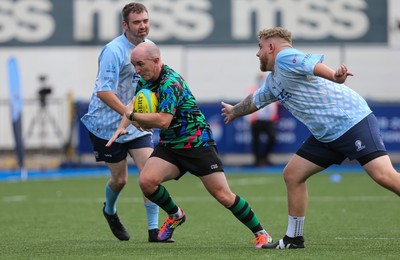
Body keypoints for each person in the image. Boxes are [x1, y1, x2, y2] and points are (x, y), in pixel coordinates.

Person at [221, 27, 400, 249]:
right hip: (326, 135)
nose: (257, 54)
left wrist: (334, 76)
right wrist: (235, 111)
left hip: (352, 121)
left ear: (271, 47)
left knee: (383, 175)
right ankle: (293, 239)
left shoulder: (285, 56)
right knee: (293, 174)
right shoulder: (274, 81)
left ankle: (293, 239)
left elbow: (310, 64)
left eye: (259, 48)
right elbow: (255, 100)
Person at [106, 42, 274, 248]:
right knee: (147, 181)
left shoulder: (170, 82)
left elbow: (163, 120)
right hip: (171, 144)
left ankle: (262, 233)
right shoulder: (145, 80)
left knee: (223, 196)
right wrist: (124, 125)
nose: (137, 70)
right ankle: (176, 215)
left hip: (197, 143)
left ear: (157, 60)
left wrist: (133, 117)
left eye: (140, 64)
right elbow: (134, 103)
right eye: (134, 65)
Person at [80, 2, 170, 243]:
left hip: (136, 123)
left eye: (145, 21)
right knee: (120, 180)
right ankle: (109, 211)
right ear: (125, 25)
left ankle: (154, 231)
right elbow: (104, 92)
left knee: (149, 174)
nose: (143, 26)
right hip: (106, 124)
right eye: (137, 22)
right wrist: (130, 116)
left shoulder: (149, 48)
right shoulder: (113, 51)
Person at [247, 73, 279, 166]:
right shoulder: (252, 89)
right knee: (255, 140)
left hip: (268, 120)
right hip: (256, 119)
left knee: (272, 138)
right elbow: (247, 104)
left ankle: (264, 157)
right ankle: (257, 160)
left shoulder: (271, 88)